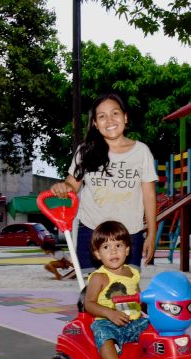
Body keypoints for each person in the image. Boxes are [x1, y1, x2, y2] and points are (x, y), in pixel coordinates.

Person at [49, 93, 157, 274]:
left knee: (126, 293)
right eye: (102, 116)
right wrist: (62, 188)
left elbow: (149, 196)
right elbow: (71, 187)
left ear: (125, 117)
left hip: (129, 233)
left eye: (115, 113)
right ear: (95, 124)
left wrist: (152, 234)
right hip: (92, 231)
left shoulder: (141, 152)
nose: (109, 120)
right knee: (91, 292)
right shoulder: (84, 151)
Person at [85, 220, 149, 359]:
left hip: (134, 321)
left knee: (157, 329)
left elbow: (140, 297)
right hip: (108, 322)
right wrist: (109, 313)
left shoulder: (132, 272)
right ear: (97, 254)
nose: (113, 251)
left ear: (127, 249)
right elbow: (89, 304)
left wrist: (150, 308)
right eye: (106, 247)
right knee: (103, 336)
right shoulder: (99, 277)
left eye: (118, 245)